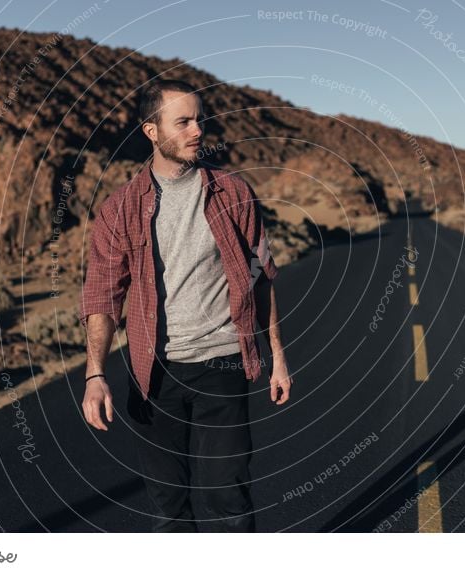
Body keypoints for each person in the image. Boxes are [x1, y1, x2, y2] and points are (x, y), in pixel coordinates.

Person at [77, 79, 292, 532]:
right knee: (169, 509)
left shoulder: (233, 193)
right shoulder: (120, 208)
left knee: (228, 499)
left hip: (223, 364)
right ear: (151, 131)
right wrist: (96, 373)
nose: (197, 131)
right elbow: (103, 294)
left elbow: (262, 276)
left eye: (200, 120)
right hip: (154, 373)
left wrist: (277, 357)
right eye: (183, 122)